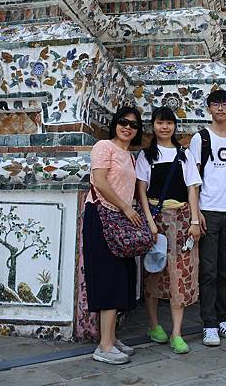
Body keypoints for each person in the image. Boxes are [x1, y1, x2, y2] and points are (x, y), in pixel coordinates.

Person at [136, 106, 201, 355]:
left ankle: (177, 332)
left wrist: (195, 221)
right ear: (153, 126)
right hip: (156, 220)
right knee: (155, 271)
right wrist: (150, 223)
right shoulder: (146, 155)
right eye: (160, 123)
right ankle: (153, 325)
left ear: (175, 126)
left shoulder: (183, 155)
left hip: (182, 220)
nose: (165, 127)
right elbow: (141, 190)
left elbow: (192, 190)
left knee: (180, 274)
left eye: (169, 123)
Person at [83, 106, 143, 365]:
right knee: (108, 277)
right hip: (101, 216)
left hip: (120, 221)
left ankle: (111, 337)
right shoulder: (103, 147)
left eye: (133, 124)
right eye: (123, 122)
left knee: (121, 278)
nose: (127, 127)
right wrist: (126, 207)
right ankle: (103, 346)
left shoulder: (130, 157)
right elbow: (100, 182)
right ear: (115, 124)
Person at [189, 89, 226, 347]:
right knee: (209, 271)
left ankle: (222, 320)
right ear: (209, 108)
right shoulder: (200, 138)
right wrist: (196, 213)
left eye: (225, 104)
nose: (221, 108)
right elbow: (193, 180)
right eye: (216, 104)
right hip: (209, 211)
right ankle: (209, 324)